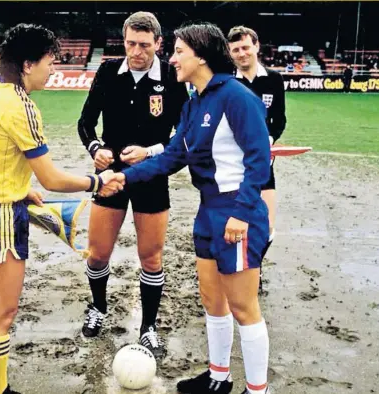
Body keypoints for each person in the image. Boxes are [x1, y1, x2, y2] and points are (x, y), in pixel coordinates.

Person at [0, 23, 121, 394]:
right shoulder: (20, 105)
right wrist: (97, 182)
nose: (53, 69)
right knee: (2, 314)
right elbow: (53, 179)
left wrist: (20, 188)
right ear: (28, 64)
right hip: (0, 218)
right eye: (49, 61)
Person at [109, 22, 272, 394]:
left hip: (237, 210)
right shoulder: (195, 101)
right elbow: (173, 156)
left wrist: (242, 214)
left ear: (200, 55)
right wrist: (124, 178)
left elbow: (260, 160)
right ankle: (218, 378)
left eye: (179, 51)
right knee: (213, 300)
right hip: (209, 209)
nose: (172, 58)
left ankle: (258, 390)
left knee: (243, 306)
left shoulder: (236, 96)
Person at [76, 11, 189, 358]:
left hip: (152, 176)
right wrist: (96, 149)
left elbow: (182, 136)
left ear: (158, 43)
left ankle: (149, 327)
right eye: (130, 44)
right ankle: (98, 307)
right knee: (97, 254)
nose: (136, 52)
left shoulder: (172, 76)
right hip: (110, 178)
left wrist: (149, 152)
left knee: (151, 257)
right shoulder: (110, 71)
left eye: (143, 45)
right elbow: (85, 123)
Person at [227, 26, 287, 292]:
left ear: (256, 46)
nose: (242, 53)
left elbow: (280, 120)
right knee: (234, 222)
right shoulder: (229, 83)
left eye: (245, 47)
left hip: (263, 164)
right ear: (230, 53)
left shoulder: (273, 79)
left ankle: (255, 268)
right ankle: (240, 272)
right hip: (233, 166)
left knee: (268, 228)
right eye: (236, 50)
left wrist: (271, 139)